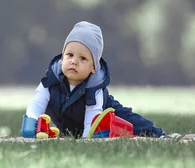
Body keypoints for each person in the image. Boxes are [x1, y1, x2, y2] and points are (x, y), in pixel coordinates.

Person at [21, 21, 165, 139]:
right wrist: (31, 123)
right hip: (68, 123)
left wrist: (86, 137)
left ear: (93, 67)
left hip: (99, 114)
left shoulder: (94, 89)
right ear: (62, 56)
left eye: (82, 58)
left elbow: (92, 118)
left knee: (131, 120)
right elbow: (37, 102)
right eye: (69, 55)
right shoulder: (50, 81)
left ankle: (158, 134)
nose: (74, 62)